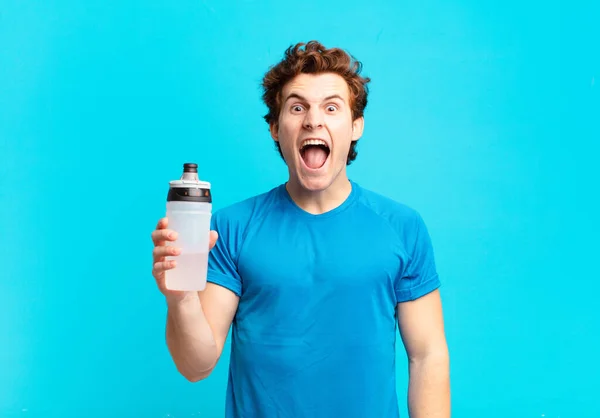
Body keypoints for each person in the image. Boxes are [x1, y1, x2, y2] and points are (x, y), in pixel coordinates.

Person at [151, 40, 450, 418]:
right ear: (276, 128)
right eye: (297, 107)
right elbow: (196, 366)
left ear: (356, 126)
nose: (313, 120)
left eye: (331, 107)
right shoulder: (230, 228)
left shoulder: (402, 227)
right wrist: (180, 296)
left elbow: (428, 357)